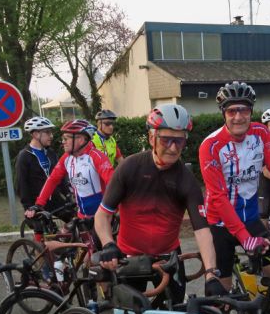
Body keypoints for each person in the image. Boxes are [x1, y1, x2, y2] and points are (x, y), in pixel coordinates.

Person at [95, 103, 224, 296]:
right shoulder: (129, 168)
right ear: (151, 138)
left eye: (179, 141)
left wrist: (211, 274)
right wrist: (108, 244)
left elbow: (202, 231)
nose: (173, 148)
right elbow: (103, 215)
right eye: (166, 140)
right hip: (129, 257)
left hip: (168, 258)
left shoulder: (186, 179)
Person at [199, 81, 270, 291]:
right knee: (221, 294)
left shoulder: (261, 133)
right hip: (220, 225)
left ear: (251, 111)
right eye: (232, 111)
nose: (238, 117)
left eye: (244, 110)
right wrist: (244, 238)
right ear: (223, 113)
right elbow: (218, 196)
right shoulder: (211, 146)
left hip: (250, 219)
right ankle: (220, 308)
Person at [25, 119, 114, 226]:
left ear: (80, 139)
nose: (63, 142)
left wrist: (110, 211)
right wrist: (39, 204)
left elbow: (113, 184)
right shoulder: (67, 158)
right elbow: (53, 180)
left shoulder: (96, 157)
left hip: (102, 217)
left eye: (66, 138)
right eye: (63, 138)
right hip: (82, 216)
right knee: (64, 233)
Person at [15, 117, 73, 241]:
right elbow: (21, 184)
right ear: (36, 134)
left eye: (51, 132)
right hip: (36, 203)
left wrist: (68, 194)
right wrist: (28, 207)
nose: (51, 136)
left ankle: (67, 244)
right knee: (42, 229)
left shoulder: (51, 153)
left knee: (75, 220)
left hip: (54, 199)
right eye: (47, 132)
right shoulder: (24, 156)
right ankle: (40, 250)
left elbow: (60, 177)